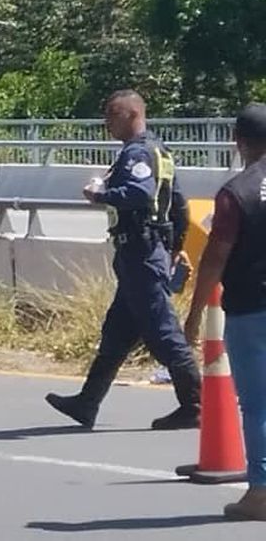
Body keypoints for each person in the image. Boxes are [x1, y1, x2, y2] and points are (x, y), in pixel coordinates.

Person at [45, 90, 201, 430]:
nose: (107, 125)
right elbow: (180, 205)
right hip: (144, 253)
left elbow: (139, 194)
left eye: (111, 117)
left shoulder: (138, 152)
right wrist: (174, 246)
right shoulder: (160, 151)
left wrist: (100, 195)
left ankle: (195, 404)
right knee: (116, 332)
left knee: (163, 332)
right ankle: (87, 403)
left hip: (141, 254)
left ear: (131, 115)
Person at [184, 103, 266, 521]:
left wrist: (195, 312)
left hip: (253, 308)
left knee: (257, 405)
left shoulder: (237, 191)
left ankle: (260, 492)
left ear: (239, 142)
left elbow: (215, 258)